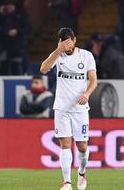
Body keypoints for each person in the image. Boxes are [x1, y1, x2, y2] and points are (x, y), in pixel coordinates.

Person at [40, 27, 97, 190]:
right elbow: (43, 69)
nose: (67, 45)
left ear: (74, 40)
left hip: (80, 108)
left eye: (69, 41)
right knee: (65, 143)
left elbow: (93, 80)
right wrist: (58, 50)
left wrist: (87, 93)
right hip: (62, 108)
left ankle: (82, 172)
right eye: (64, 42)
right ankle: (67, 182)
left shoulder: (86, 56)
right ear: (60, 42)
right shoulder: (58, 55)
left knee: (82, 146)